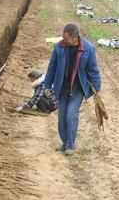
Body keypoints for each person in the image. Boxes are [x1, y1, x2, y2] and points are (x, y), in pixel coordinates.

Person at [43, 23, 102, 155]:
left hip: (77, 88)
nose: (64, 40)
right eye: (63, 37)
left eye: (66, 38)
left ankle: (70, 145)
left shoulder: (88, 49)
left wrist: (96, 88)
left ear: (75, 38)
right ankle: (65, 143)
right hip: (62, 87)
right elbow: (52, 67)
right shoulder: (59, 47)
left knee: (71, 115)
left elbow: (93, 70)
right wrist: (47, 85)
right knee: (62, 117)